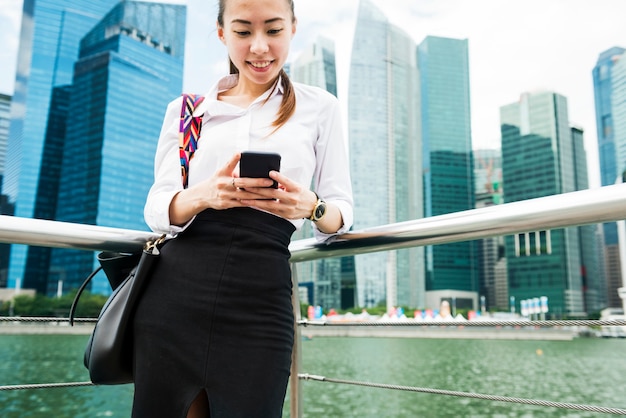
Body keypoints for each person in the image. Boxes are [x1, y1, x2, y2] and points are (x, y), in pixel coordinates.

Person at [132, 0, 353, 417]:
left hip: (261, 301)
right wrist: (205, 195)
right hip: (175, 296)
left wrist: (311, 205)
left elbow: (340, 211)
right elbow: (157, 207)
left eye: (272, 30)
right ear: (221, 33)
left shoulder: (321, 107)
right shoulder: (187, 113)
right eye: (242, 31)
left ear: (292, 29)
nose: (259, 47)